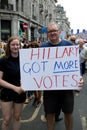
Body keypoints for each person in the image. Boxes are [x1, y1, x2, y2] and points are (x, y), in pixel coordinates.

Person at [40, 22, 83, 130]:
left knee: (68, 113)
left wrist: (79, 78)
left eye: (54, 31)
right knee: (50, 114)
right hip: (49, 89)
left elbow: (76, 66)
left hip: (66, 89)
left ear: (59, 32)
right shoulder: (42, 47)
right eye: (50, 31)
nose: (52, 33)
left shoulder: (69, 45)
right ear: (47, 34)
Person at [0, 36, 26, 130]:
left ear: (20, 46)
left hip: (20, 92)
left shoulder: (25, 59)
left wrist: (27, 82)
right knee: (6, 119)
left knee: (17, 117)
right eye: (13, 44)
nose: (15, 47)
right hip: (7, 92)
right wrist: (15, 88)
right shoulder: (3, 60)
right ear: (9, 46)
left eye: (17, 44)